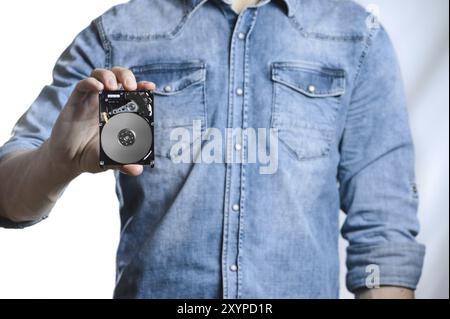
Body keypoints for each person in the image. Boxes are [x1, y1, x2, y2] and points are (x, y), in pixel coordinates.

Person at [0, 0, 425, 299]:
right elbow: (6, 193)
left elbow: (384, 235)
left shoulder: (356, 38)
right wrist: (55, 164)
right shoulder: (118, 36)